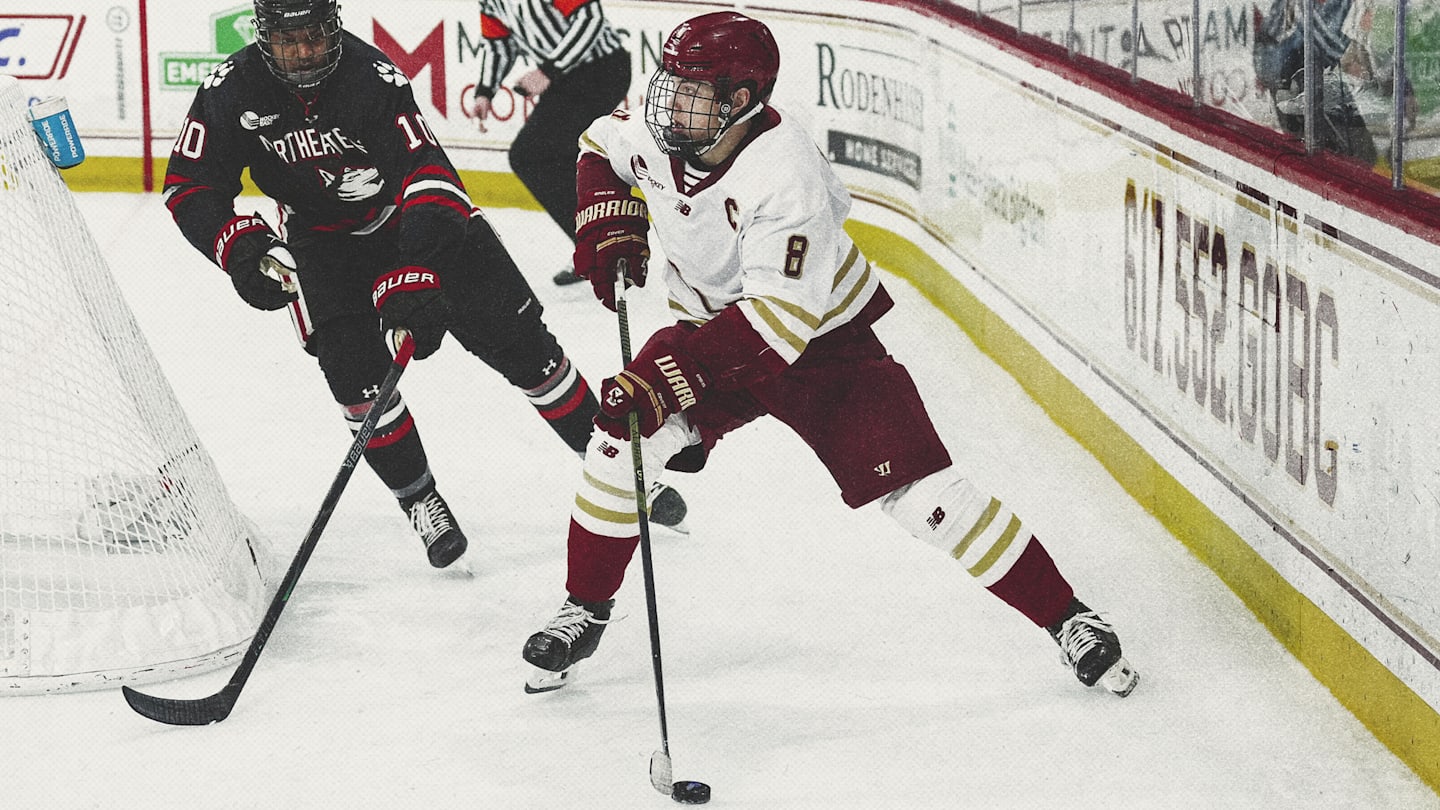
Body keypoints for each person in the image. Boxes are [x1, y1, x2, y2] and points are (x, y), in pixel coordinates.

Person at [520, 11, 1139, 698]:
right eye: (670, 83)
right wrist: (609, 220)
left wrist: (668, 379)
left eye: (694, 92)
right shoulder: (662, 131)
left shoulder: (786, 177)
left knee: (925, 499)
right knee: (619, 445)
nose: (671, 103)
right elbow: (597, 146)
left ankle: (1069, 618)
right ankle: (586, 608)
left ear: (743, 103)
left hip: (821, 347)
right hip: (709, 331)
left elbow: (776, 325)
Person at [162, 0, 684, 570]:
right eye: (290, 41)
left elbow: (431, 175)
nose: (305, 51)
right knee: (355, 382)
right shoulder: (229, 90)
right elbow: (189, 184)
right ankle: (421, 500)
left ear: (333, 27)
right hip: (323, 246)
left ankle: (612, 469)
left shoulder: (372, 77)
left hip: (416, 221)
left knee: (527, 350)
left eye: (315, 36)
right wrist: (240, 248)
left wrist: (416, 266)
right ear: (263, 36)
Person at [470, 0, 631, 287]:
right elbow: (499, 45)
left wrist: (548, 71)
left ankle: (600, 246)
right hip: (568, 79)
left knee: (530, 155)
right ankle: (604, 245)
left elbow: (589, 20)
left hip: (602, 69)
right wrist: (485, 90)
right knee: (558, 157)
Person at [1254, 0, 1378, 163]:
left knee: (1361, 155)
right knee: (1331, 158)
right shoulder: (1298, 11)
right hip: (1298, 84)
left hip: (1315, 80)